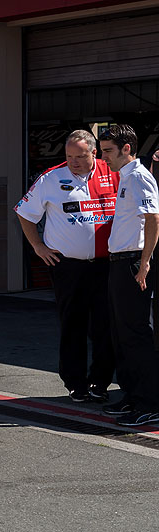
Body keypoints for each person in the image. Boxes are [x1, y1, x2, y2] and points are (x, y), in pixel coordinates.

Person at [14, 130, 119, 402]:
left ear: (94, 153)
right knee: (73, 324)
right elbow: (24, 213)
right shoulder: (51, 178)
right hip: (68, 266)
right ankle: (75, 384)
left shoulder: (113, 173)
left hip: (106, 265)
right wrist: (38, 246)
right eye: (69, 156)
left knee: (105, 326)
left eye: (80, 156)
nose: (73, 161)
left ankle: (100, 382)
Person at [98, 124, 159, 426]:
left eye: (108, 151)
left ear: (126, 149)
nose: (103, 157)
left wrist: (145, 261)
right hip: (119, 263)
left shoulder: (137, 177)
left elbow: (153, 218)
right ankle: (133, 396)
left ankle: (149, 402)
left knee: (136, 334)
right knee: (121, 335)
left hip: (133, 262)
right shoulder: (125, 177)